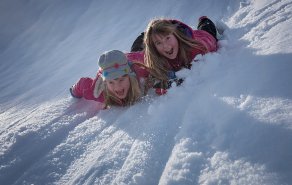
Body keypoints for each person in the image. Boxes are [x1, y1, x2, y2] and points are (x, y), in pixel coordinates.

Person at [131, 16, 218, 93]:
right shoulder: (151, 57)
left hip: (201, 36)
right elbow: (126, 60)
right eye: (158, 43)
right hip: (147, 44)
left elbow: (210, 42)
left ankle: (203, 20)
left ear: (176, 35)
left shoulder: (198, 48)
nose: (166, 46)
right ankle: (147, 35)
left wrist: (170, 83)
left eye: (168, 38)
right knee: (136, 50)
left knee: (208, 30)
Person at [70, 50, 150, 108]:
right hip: (107, 68)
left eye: (121, 80)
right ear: (105, 83)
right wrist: (74, 91)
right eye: (111, 82)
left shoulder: (140, 69)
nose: (117, 87)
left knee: (138, 45)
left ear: (129, 77)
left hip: (131, 58)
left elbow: (151, 57)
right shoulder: (99, 92)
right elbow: (82, 84)